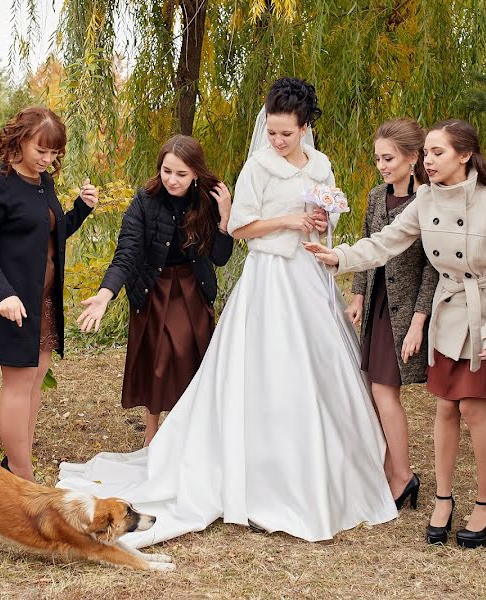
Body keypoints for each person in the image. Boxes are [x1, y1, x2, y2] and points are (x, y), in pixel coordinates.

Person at [57, 78, 397, 547]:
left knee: (315, 373)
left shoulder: (321, 166)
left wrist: (319, 220)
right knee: (260, 372)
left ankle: (321, 470)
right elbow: (240, 228)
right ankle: (251, 469)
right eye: (272, 132)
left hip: (308, 274)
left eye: (286, 133)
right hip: (268, 279)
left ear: (304, 128)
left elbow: (328, 216)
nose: (277, 141)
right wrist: (287, 220)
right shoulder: (256, 167)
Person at [306, 118, 486, 548]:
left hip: (484, 319)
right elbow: (386, 242)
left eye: (437, 152)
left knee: (473, 410)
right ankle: (442, 498)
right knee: (446, 408)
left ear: (464, 155)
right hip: (449, 318)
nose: (428, 160)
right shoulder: (424, 198)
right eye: (426, 152)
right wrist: (339, 257)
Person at [76, 135, 233, 446]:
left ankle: (187, 429)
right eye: (166, 171)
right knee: (156, 359)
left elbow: (220, 257)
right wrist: (105, 295)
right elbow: (127, 254)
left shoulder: (207, 202)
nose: (172, 180)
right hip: (152, 288)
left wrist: (225, 216)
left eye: (181, 174)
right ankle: (152, 431)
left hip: (192, 288)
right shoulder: (144, 201)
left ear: (196, 174)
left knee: (189, 355)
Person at [0, 106, 98, 481]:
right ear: (20, 139)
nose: (48, 159)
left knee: (36, 376)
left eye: (55, 153)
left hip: (43, 300)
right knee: (18, 382)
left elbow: (49, 236)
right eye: (41, 150)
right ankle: (23, 480)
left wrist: (80, 210)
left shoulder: (45, 184)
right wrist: (4, 295)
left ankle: (16, 468)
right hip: (12, 301)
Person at [346, 118, 438, 510]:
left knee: (386, 391)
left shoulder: (428, 200)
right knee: (373, 389)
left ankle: (402, 475)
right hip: (377, 304)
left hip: (405, 309)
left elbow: (435, 266)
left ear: (412, 157)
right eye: (378, 158)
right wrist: (357, 294)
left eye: (389, 158)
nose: (382, 165)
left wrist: (419, 319)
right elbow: (369, 246)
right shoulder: (374, 196)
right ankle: (389, 467)